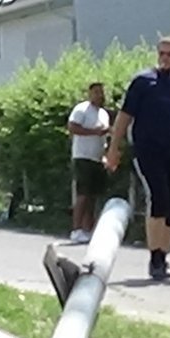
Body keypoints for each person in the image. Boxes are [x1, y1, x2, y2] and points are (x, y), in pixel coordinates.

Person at [104, 35, 170, 281]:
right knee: (159, 197)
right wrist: (113, 149)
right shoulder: (143, 81)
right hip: (149, 151)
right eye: (161, 53)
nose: (165, 58)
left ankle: (163, 255)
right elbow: (124, 117)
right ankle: (155, 259)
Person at [66, 81, 110, 244]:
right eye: (96, 92)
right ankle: (76, 229)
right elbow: (72, 127)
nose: (100, 95)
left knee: (93, 196)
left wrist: (106, 155)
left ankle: (88, 229)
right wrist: (94, 132)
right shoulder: (82, 109)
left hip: (97, 158)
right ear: (90, 94)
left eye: (101, 92)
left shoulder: (103, 114)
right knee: (83, 194)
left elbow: (104, 137)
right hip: (83, 156)